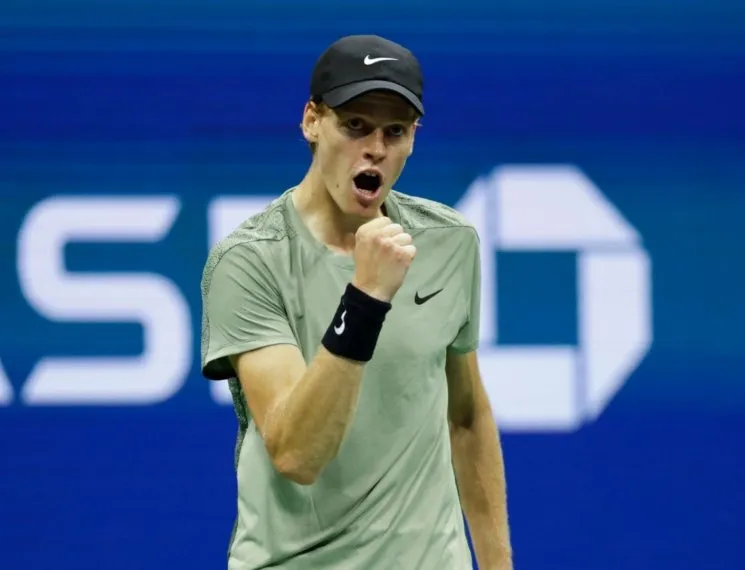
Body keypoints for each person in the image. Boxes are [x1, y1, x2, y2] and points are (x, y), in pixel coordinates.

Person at [200, 34, 512, 570]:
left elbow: (465, 415)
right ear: (311, 122)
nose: (375, 149)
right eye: (355, 126)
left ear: (414, 136)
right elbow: (297, 454)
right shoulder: (249, 262)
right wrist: (365, 297)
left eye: (395, 131)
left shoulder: (449, 242)